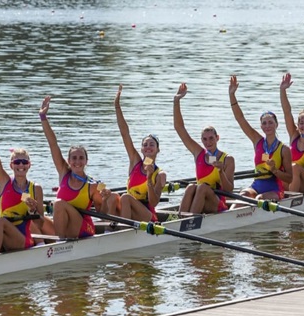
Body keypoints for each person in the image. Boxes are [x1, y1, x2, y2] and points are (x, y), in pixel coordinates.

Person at [0, 106, 55, 257]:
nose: (20, 165)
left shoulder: (36, 189)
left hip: (22, 239)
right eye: (17, 162)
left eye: (23, 162)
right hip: (1, 232)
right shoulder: (4, 181)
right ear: (11, 166)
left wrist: (33, 211)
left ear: (29, 165)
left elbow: (40, 224)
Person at [39, 95, 105, 238]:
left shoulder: (92, 185)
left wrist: (104, 196)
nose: (77, 161)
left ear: (86, 161)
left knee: (59, 204)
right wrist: (43, 117)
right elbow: (53, 144)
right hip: (65, 226)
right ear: (68, 161)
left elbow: (102, 212)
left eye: (81, 158)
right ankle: (40, 245)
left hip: (84, 228)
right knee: (36, 217)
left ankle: (59, 245)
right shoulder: (64, 172)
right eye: (74, 158)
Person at [101, 84, 167, 222]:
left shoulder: (160, 174)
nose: (148, 147)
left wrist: (149, 179)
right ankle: (109, 230)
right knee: (113, 196)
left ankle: (122, 230)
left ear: (157, 150)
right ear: (142, 149)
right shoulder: (135, 161)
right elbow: (125, 134)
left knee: (125, 197)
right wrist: (117, 107)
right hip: (129, 208)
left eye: (152, 145)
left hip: (148, 215)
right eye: (145, 145)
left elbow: (154, 203)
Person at [229, 75, 292, 204]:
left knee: (259, 199)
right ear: (261, 126)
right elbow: (240, 119)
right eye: (264, 123)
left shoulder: (284, 149)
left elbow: (290, 178)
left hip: (275, 188)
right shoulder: (257, 140)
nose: (267, 126)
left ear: (276, 125)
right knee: (243, 195)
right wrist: (232, 95)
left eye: (270, 123)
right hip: (257, 184)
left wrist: (274, 170)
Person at [173, 82, 235, 214]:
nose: (208, 142)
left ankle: (189, 222)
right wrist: (176, 100)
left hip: (218, 203)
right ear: (201, 140)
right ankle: (180, 219)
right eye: (205, 139)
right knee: (191, 187)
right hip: (201, 200)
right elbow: (179, 128)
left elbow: (229, 190)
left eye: (211, 138)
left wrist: (220, 171)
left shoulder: (228, 159)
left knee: (201, 188)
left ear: (217, 138)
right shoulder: (198, 152)